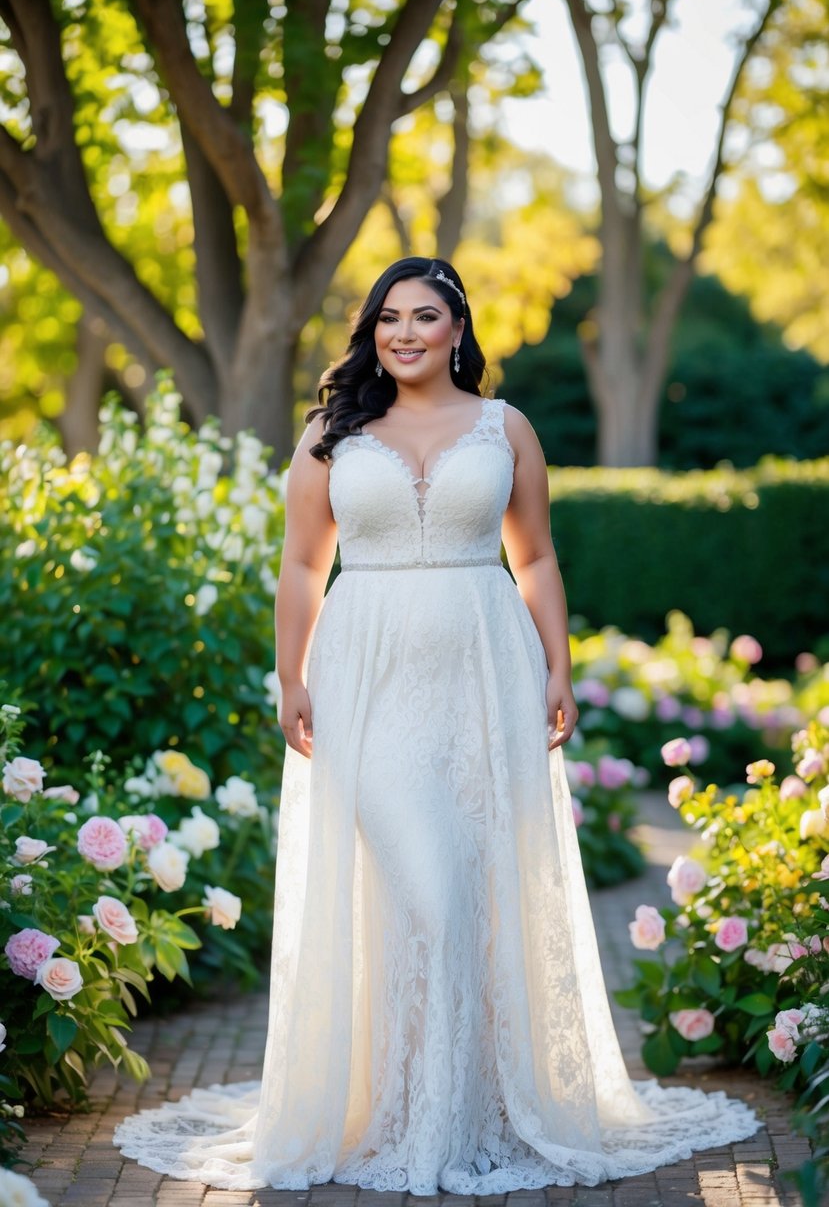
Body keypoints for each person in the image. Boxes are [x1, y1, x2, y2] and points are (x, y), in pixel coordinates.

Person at [114, 257, 758, 1194]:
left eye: (424, 316)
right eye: (387, 318)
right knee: (427, 891)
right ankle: (404, 1111)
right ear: (370, 332)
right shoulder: (331, 434)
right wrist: (288, 674)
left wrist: (558, 663)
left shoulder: (506, 429)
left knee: (471, 889)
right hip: (366, 680)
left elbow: (533, 557)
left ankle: (464, 1109)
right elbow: (302, 565)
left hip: (483, 676)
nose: (404, 333)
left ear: (458, 330)